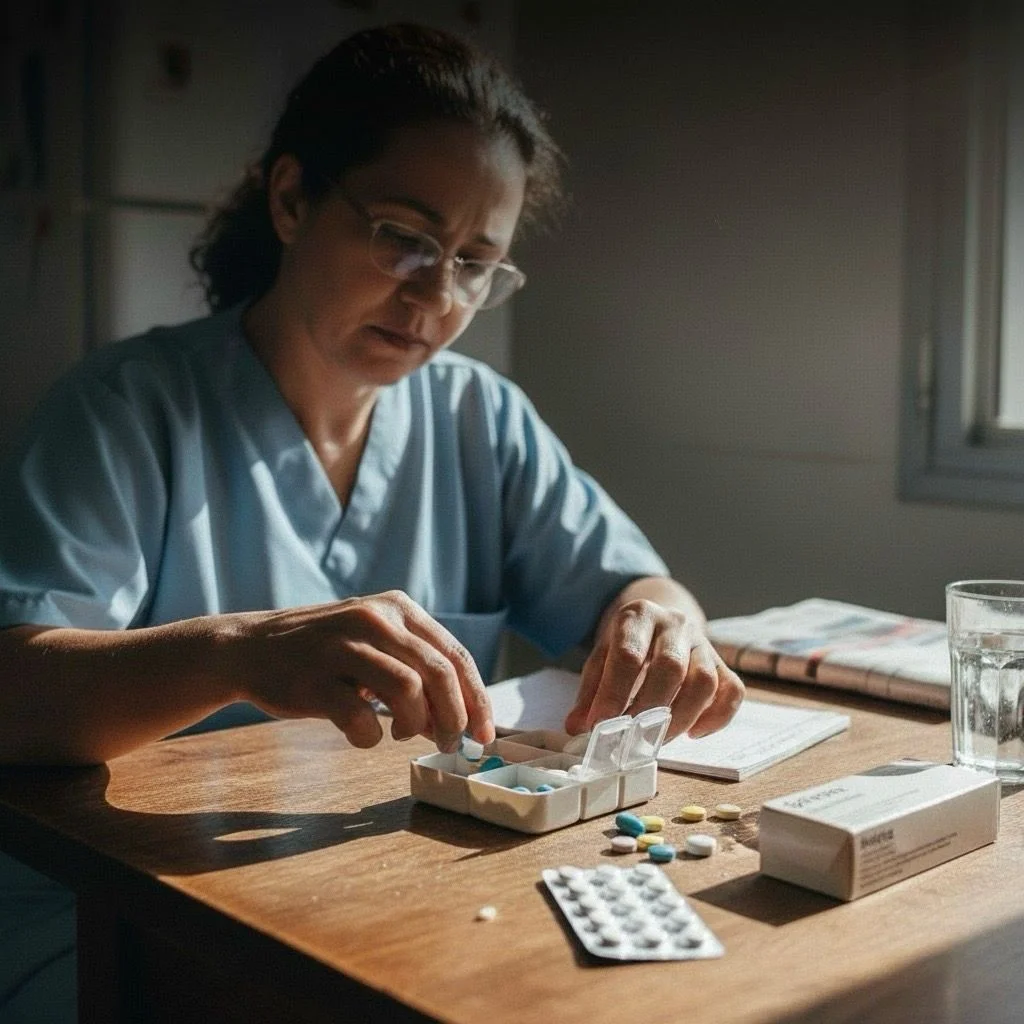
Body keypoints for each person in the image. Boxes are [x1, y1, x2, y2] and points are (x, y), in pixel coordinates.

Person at [0, 22, 744, 1020]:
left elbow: (630, 587)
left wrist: (660, 616)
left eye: (476, 263)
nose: (436, 298)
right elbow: (11, 688)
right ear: (293, 198)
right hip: (122, 913)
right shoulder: (127, 412)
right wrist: (237, 651)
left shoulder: (480, 417)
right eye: (403, 237)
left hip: (377, 895)